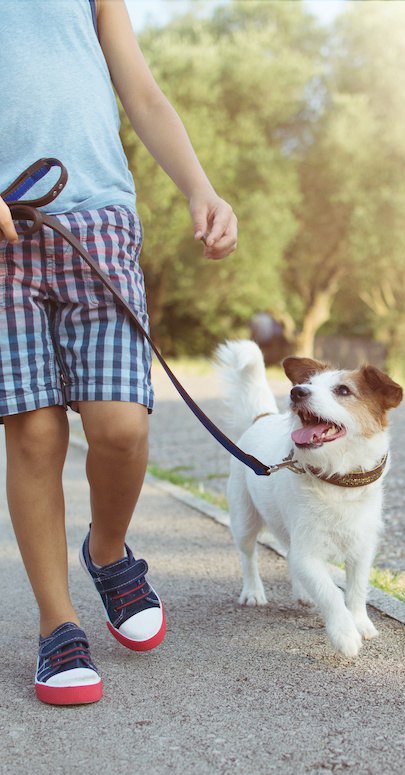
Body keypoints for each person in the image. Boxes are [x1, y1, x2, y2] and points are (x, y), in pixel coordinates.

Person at [0, 0, 237, 706]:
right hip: (4, 233)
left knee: (122, 425)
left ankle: (108, 551)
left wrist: (201, 186)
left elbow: (139, 89)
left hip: (97, 220)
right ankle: (57, 624)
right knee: (36, 433)